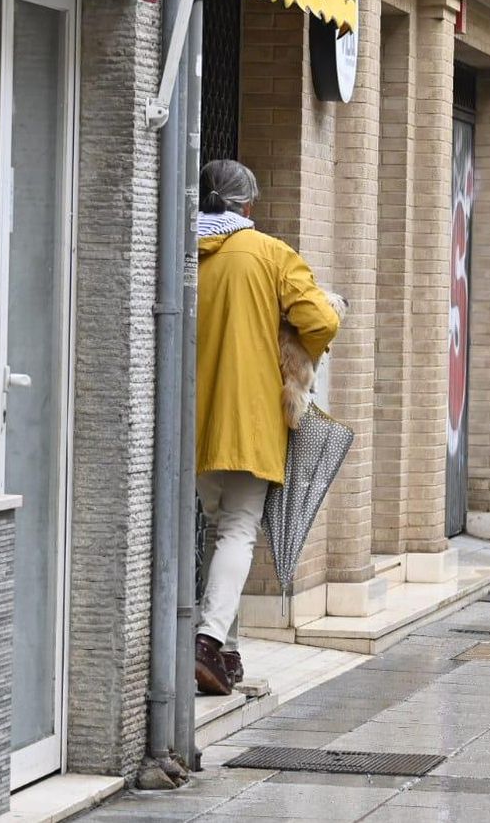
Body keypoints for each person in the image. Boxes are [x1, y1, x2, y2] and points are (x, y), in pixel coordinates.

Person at [194, 159, 341, 696]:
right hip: (248, 413)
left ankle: (226, 657)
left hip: (191, 416)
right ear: (248, 206)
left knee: (219, 527)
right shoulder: (270, 254)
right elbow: (321, 320)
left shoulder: (183, 250)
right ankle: (208, 641)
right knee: (238, 528)